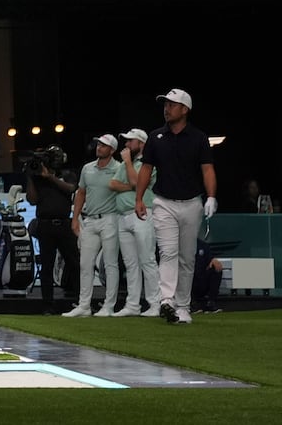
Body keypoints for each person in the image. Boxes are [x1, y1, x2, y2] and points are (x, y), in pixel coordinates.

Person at [136, 88, 217, 325]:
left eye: (172, 105)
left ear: (185, 109)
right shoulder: (155, 137)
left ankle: (183, 306)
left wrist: (211, 196)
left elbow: (207, 169)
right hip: (164, 203)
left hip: (192, 203)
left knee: (187, 257)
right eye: (165, 104)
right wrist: (139, 199)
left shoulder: (199, 138)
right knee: (168, 251)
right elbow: (146, 169)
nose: (166, 108)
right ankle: (167, 300)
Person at [64, 134, 130, 317]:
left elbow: (130, 186)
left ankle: (109, 305)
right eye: (99, 144)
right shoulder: (87, 168)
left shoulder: (119, 168)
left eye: (104, 145)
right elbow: (81, 193)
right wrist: (75, 217)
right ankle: (84, 305)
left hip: (110, 218)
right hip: (90, 219)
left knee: (110, 264)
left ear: (112, 150)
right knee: (85, 263)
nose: (99, 147)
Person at [27, 146, 80, 313]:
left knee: (74, 264)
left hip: (64, 224)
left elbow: (70, 189)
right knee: (46, 267)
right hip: (45, 225)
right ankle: (47, 305)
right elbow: (32, 200)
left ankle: (80, 301)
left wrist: (49, 177)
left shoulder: (67, 174)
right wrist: (30, 177)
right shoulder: (37, 177)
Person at [116, 128, 155, 316]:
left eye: (130, 141)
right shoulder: (126, 163)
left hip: (143, 213)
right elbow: (112, 184)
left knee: (147, 260)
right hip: (123, 216)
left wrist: (128, 164)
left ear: (141, 143)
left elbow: (137, 181)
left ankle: (155, 303)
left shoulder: (149, 162)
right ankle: (133, 305)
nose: (126, 144)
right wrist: (130, 185)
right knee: (130, 264)